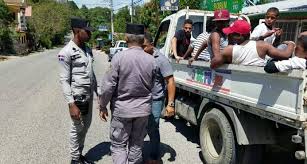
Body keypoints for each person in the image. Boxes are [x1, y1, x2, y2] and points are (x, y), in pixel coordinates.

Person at [99, 23, 156, 164]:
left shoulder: (119, 58)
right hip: (142, 111)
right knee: (136, 145)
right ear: (143, 40)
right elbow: (152, 86)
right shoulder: (151, 60)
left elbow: (108, 86)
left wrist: (102, 105)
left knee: (119, 146)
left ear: (126, 38)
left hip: (122, 111)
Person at [59, 17, 98, 164]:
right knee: (76, 129)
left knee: (85, 127)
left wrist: (98, 92)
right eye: (87, 31)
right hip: (77, 98)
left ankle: (79, 154)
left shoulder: (87, 50)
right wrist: (71, 104)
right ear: (77, 31)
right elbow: (64, 80)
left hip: (88, 96)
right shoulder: (66, 52)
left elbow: (91, 73)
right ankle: (75, 159)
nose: (90, 34)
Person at [143, 33, 176, 164]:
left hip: (156, 100)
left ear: (152, 45)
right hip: (141, 99)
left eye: (144, 46)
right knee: (140, 127)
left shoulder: (161, 59)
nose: (142, 49)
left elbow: (171, 82)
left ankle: (154, 156)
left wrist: (170, 104)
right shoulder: (141, 56)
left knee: (153, 127)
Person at [210, 19, 295, 69]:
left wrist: (230, 43)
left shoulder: (229, 50)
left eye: (231, 33)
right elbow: (286, 55)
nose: (229, 35)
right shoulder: (262, 45)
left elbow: (213, 64)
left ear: (239, 35)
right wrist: (291, 43)